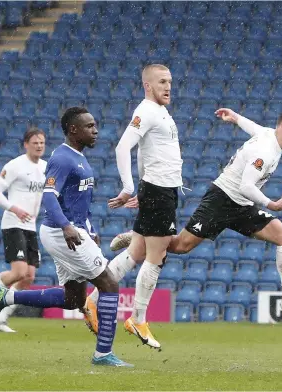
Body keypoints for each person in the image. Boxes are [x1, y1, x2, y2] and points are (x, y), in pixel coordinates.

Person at [93, 107, 282, 330]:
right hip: (221, 200)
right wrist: (272, 204)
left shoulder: (267, 135)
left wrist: (235, 118)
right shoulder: (265, 150)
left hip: (242, 206)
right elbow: (246, 185)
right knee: (181, 246)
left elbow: (254, 128)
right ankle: (141, 238)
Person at [0, 107, 132, 367]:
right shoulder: (62, 159)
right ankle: (103, 354)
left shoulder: (80, 158)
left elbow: (79, 202)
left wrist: (91, 230)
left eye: (95, 125)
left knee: (72, 299)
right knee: (109, 284)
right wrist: (67, 227)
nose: (95, 130)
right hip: (62, 232)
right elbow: (49, 196)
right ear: (73, 130)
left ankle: (4, 297)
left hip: (73, 231)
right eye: (89, 126)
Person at [83, 64, 183, 350]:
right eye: (162, 82)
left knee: (136, 252)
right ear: (148, 85)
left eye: (170, 81)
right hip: (160, 192)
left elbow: (145, 151)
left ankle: (93, 300)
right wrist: (129, 187)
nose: (168, 87)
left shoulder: (159, 111)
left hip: (160, 190)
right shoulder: (147, 111)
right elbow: (123, 147)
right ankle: (137, 318)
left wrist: (141, 188)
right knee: (157, 255)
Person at [0, 128, 47, 332]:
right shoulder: (15, 165)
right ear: (26, 144)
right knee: (19, 271)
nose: (39, 146)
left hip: (31, 227)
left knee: (28, 278)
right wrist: (14, 208)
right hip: (13, 223)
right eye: (35, 143)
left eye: (42, 142)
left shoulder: (46, 168)